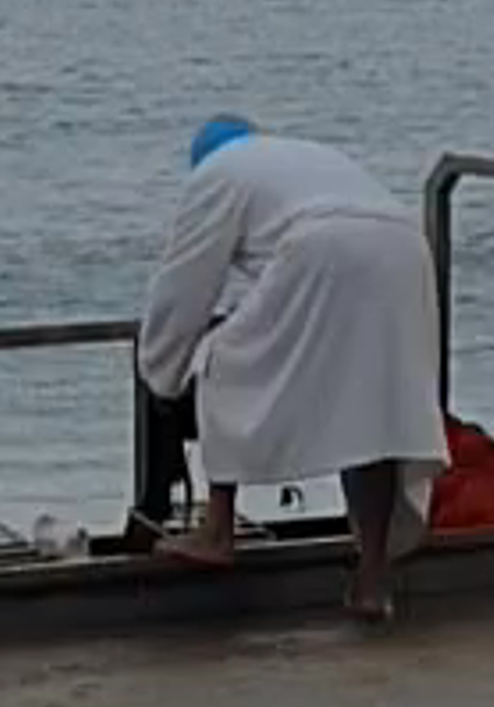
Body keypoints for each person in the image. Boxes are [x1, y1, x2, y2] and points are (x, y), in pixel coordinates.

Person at [132, 118, 446, 622]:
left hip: (324, 247)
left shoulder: (215, 174)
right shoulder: (299, 156)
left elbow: (185, 282)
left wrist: (161, 369)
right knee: (374, 409)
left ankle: (217, 532)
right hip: (405, 249)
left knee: (222, 361)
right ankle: (371, 581)